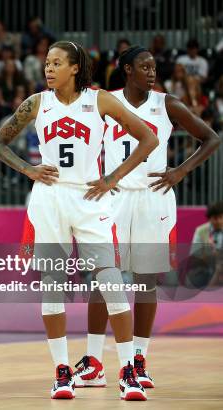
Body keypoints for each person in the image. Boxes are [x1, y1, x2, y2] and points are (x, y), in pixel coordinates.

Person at [0, 41, 158, 400]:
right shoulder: (37, 103)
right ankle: (62, 371)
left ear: (75, 67)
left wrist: (112, 178)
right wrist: (28, 169)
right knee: (52, 281)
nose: (48, 69)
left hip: (88, 196)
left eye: (56, 63)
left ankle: (127, 370)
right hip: (49, 198)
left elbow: (148, 138)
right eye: (46, 63)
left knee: (111, 280)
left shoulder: (99, 101)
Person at [74, 45, 220, 390]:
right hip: (113, 197)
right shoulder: (103, 101)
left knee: (146, 280)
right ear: (127, 69)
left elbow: (211, 138)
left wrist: (180, 171)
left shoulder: (166, 104)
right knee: (102, 277)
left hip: (154, 199)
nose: (152, 72)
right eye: (145, 67)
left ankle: (138, 359)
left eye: (154, 67)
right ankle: (94, 361)